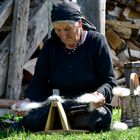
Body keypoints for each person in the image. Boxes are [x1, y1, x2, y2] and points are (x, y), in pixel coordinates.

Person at [13, 1, 116, 132]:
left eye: (67, 29)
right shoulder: (51, 46)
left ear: (79, 23)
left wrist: (100, 94)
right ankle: (59, 120)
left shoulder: (96, 42)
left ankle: (58, 121)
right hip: (58, 106)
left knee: (100, 116)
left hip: (88, 108)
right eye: (58, 30)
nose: (63, 35)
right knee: (31, 118)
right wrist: (27, 101)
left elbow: (109, 81)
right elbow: (39, 81)